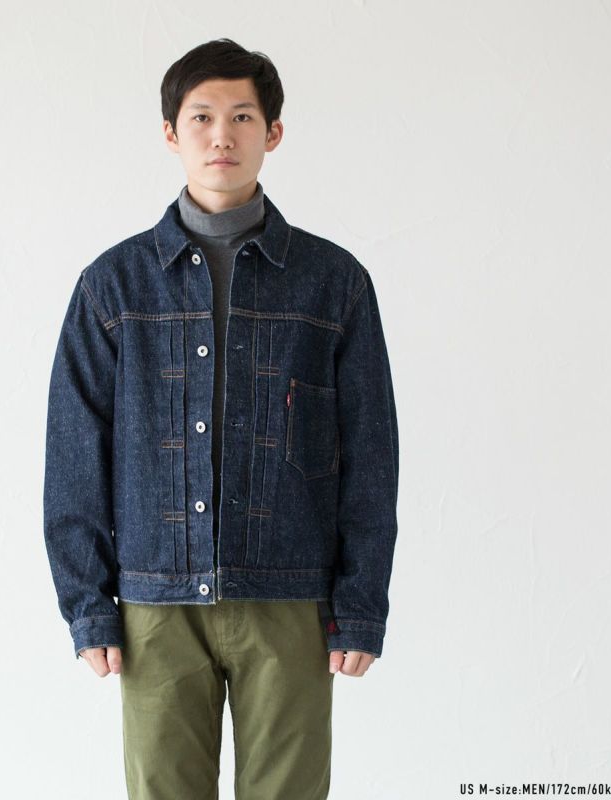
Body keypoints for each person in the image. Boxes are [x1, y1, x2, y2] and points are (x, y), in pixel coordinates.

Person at [43, 37, 400, 800]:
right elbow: (76, 453)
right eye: (201, 116)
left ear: (273, 132)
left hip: (291, 596)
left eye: (242, 116)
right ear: (170, 133)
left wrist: (362, 602)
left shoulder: (333, 284)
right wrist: (87, 606)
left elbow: (370, 453)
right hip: (155, 602)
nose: (221, 135)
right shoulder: (113, 286)